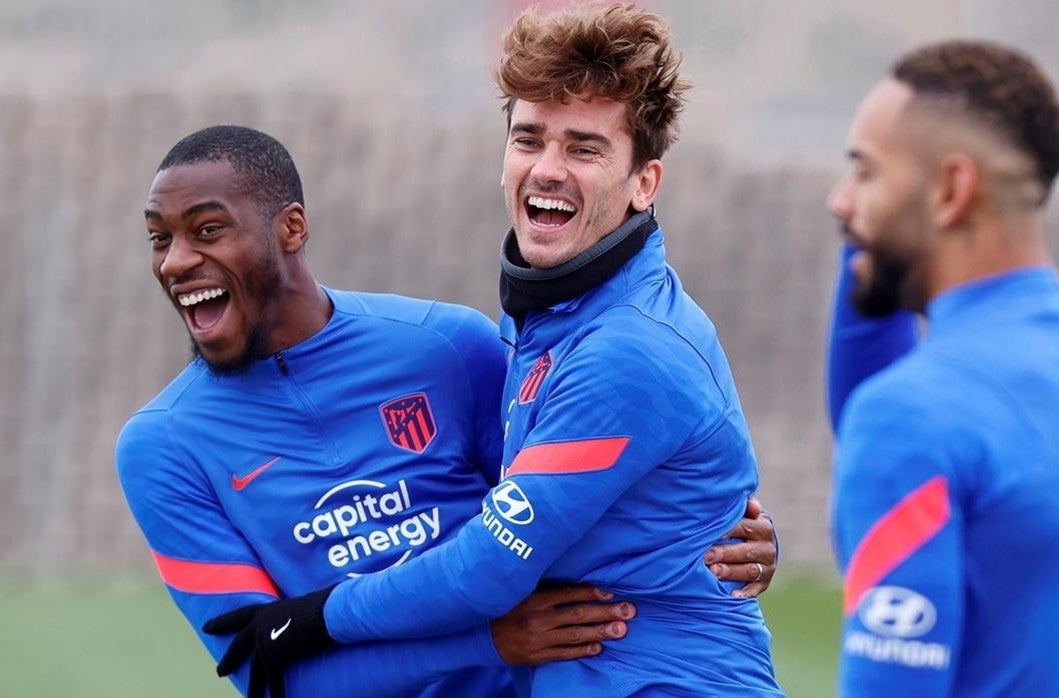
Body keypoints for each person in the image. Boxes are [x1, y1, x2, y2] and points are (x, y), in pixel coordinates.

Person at [205, 4, 783, 697]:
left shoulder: (626, 351)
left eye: (584, 147)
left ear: (644, 184)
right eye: (529, 139)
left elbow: (490, 567)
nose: (547, 169)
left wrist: (314, 617)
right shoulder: (555, 316)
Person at [824, 40, 1059, 696]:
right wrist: (879, 238)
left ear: (951, 189)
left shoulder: (912, 414)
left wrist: (876, 240)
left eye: (865, 172)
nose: (840, 201)